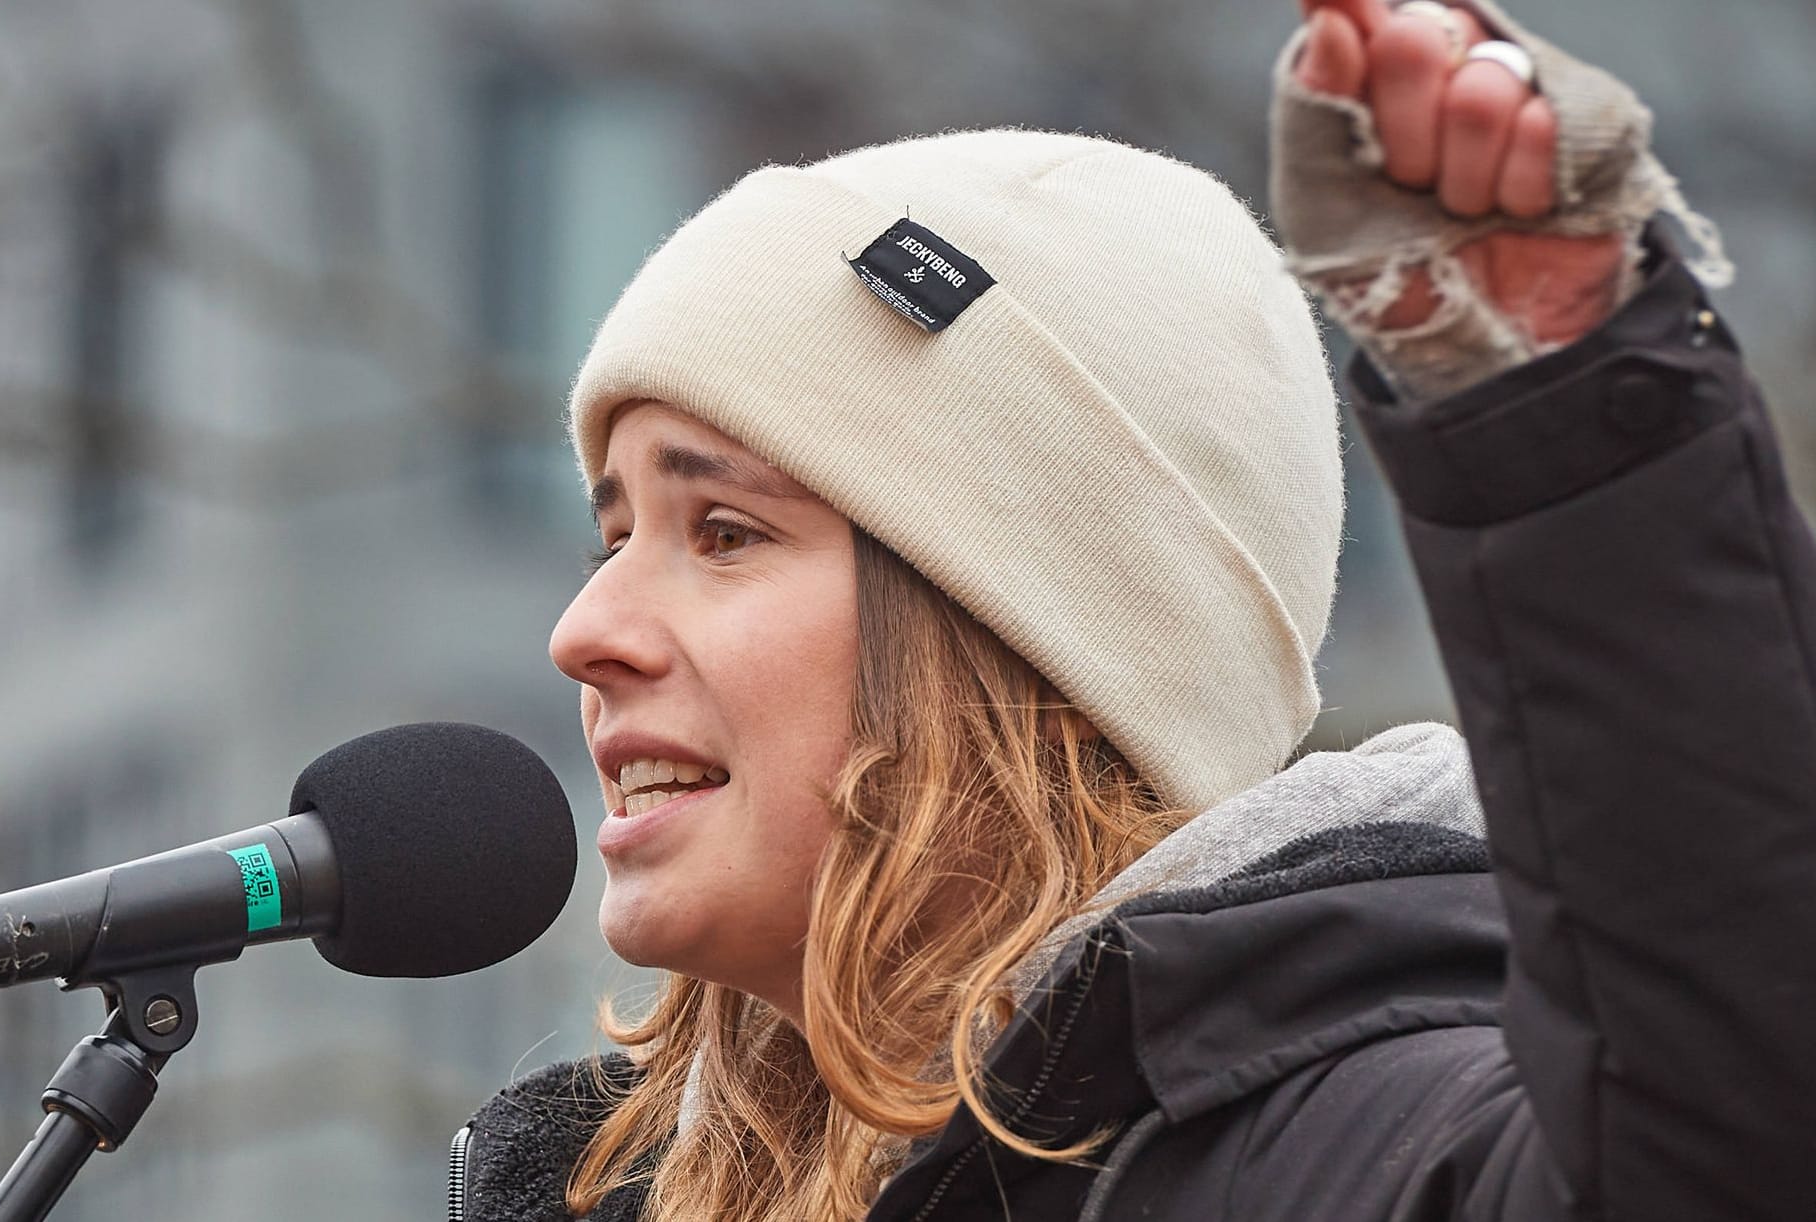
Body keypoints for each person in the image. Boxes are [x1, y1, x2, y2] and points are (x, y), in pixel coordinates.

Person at [452, 0, 1816, 1218]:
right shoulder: (588, 1188)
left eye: (726, 531)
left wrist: (1571, 447)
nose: (587, 630)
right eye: (612, 533)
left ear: (1023, 632)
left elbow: (1719, 1146)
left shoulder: (1348, 1151)